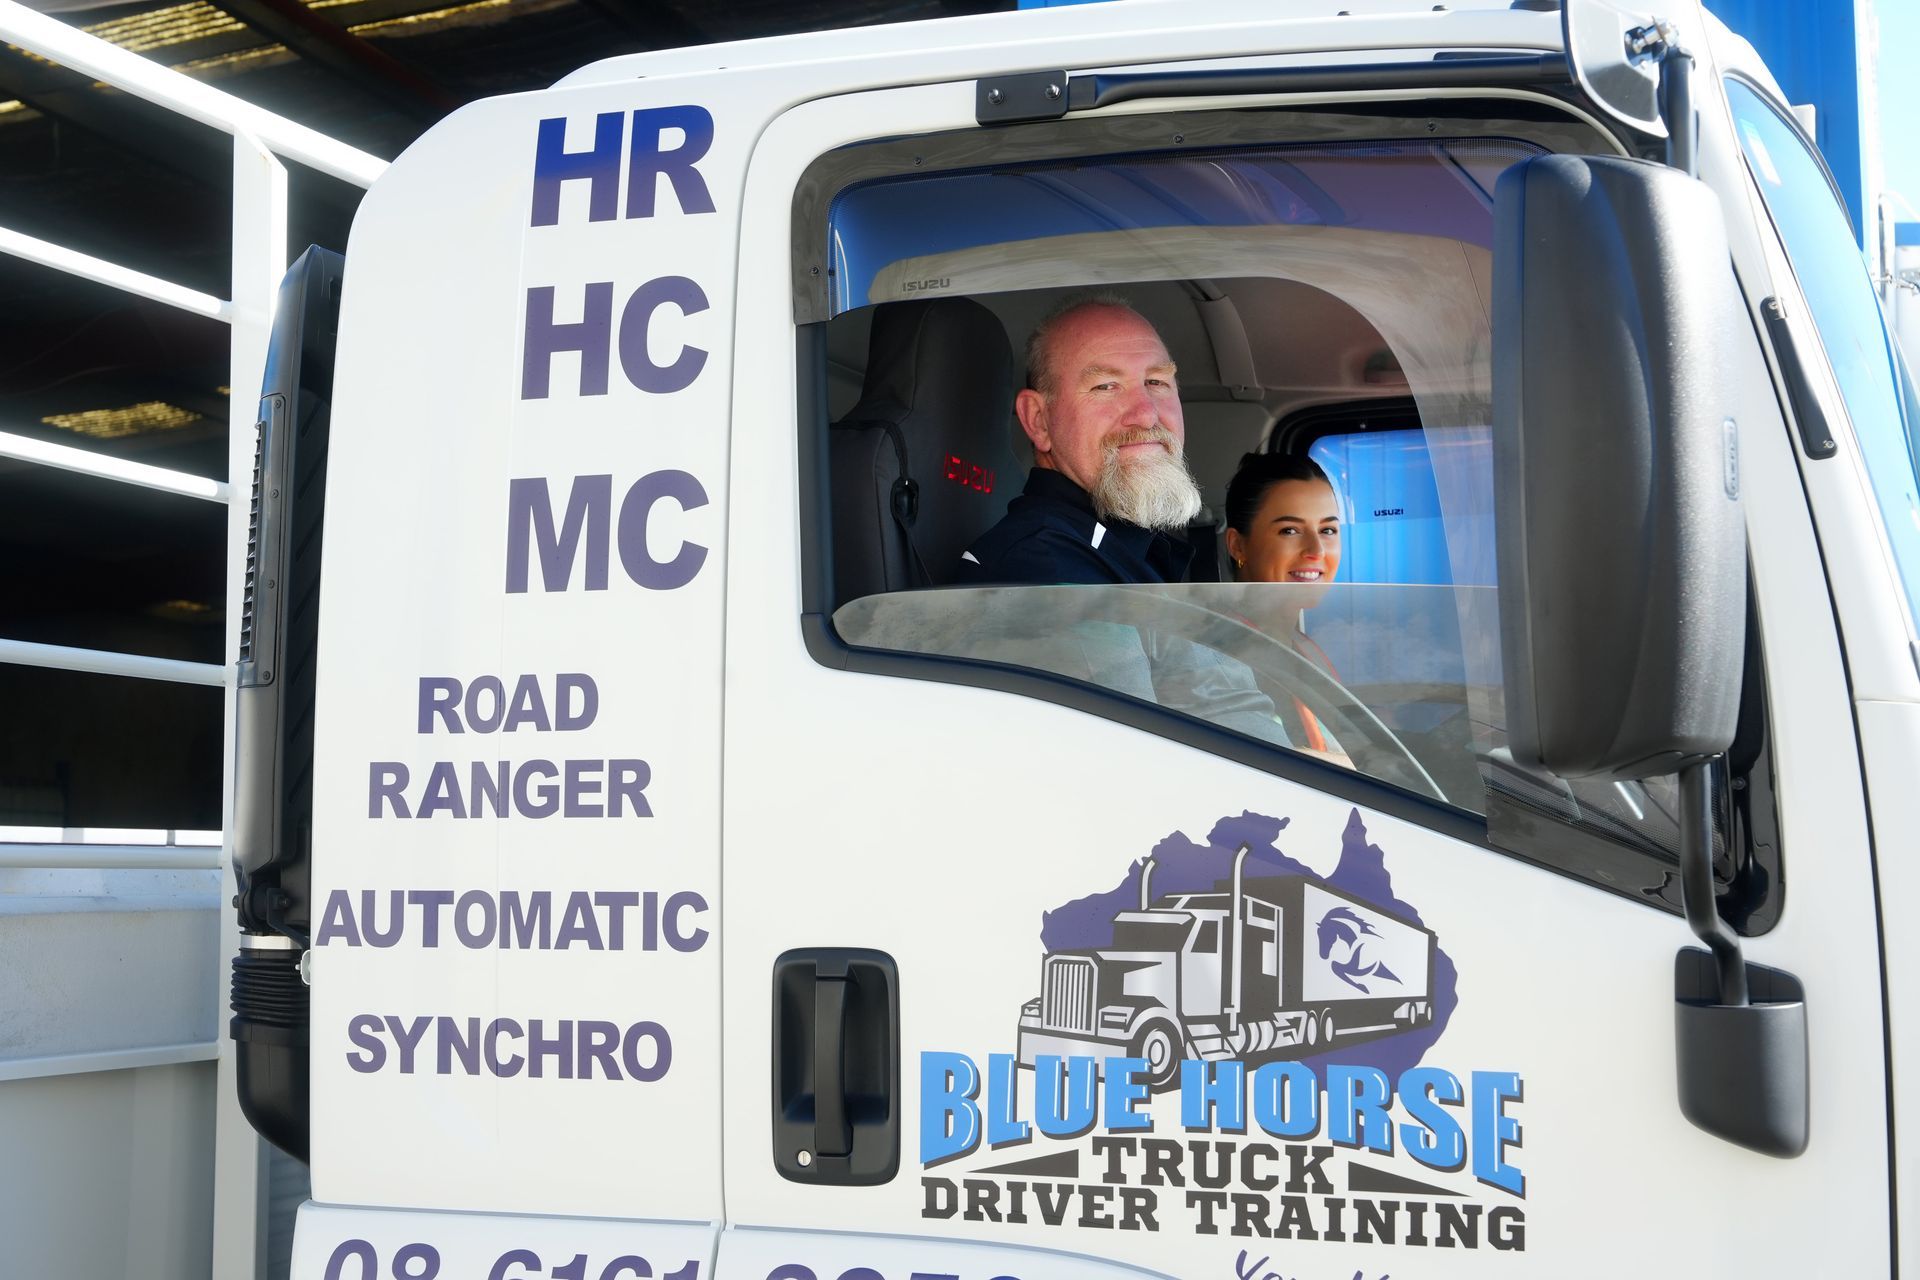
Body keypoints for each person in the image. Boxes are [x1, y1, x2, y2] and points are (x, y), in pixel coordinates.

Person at [957, 294, 1288, 746]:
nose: (1147, 415)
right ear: (1039, 421)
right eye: (1105, 387)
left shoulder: (1125, 548)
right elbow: (1127, 777)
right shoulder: (1046, 572)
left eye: (1156, 382)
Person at [1223, 451, 1347, 757]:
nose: (1316, 550)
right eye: (1290, 530)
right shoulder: (1219, 653)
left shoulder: (1300, 645)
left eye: (1327, 530)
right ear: (1238, 544)